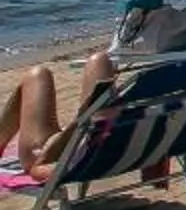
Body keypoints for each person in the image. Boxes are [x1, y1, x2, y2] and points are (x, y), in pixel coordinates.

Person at [0, 49, 114, 183]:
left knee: (36, 74)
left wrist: (77, 123)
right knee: (99, 59)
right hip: (101, 140)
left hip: (64, 152)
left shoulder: (85, 163)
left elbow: (39, 168)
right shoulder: (132, 136)